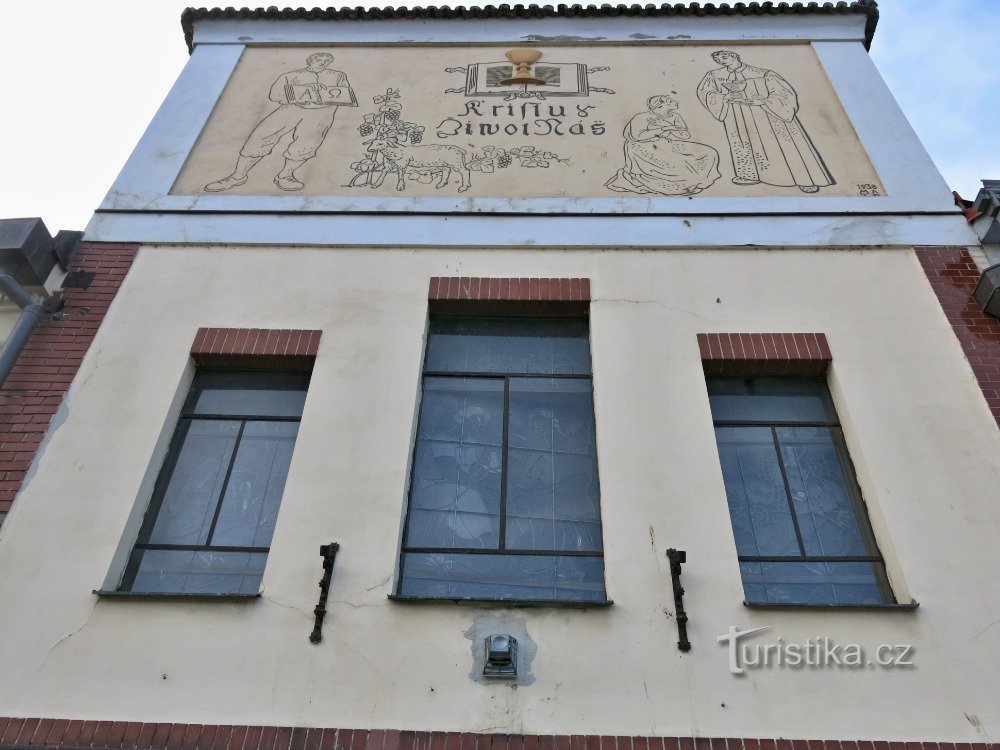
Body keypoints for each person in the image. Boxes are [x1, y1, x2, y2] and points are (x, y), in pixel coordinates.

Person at [205, 53, 353, 192]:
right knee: (260, 137)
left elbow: (345, 94)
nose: (323, 62)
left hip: (321, 113)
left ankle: (285, 176)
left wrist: (325, 93)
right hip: (290, 109)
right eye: (319, 59)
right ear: (310, 61)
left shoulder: (338, 75)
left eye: (327, 61)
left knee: (307, 145)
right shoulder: (291, 75)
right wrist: (304, 90)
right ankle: (237, 176)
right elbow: (275, 94)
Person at [696, 50, 833, 193]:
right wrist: (723, 97)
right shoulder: (714, 76)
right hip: (737, 115)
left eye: (725, 56)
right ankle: (749, 175)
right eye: (718, 59)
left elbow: (784, 95)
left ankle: (803, 179)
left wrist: (760, 101)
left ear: (734, 56)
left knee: (783, 144)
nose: (722, 61)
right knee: (742, 143)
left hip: (769, 115)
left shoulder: (763, 74)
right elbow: (706, 93)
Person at [605, 95, 720, 196]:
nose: (675, 102)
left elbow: (685, 135)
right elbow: (637, 137)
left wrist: (672, 129)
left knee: (709, 152)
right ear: (659, 106)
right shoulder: (642, 117)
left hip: (667, 144)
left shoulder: (675, 116)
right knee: (681, 167)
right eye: (669, 102)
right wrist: (664, 128)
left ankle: (699, 181)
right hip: (642, 147)